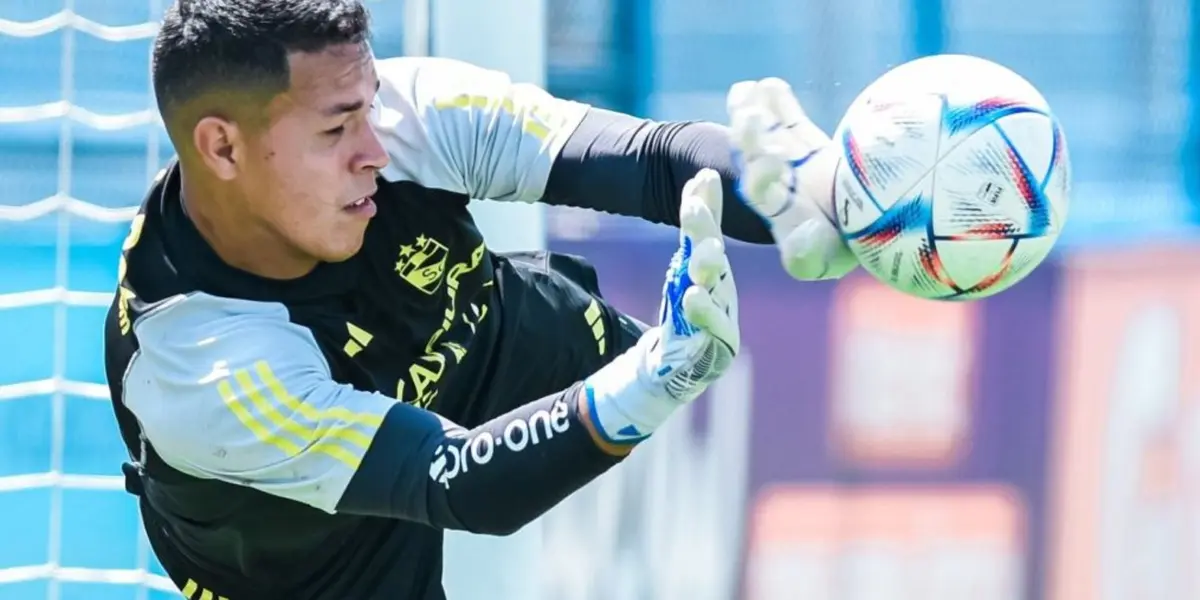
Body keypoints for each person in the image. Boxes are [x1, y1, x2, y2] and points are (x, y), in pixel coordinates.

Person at [103, 1, 858, 598]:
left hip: (481, 336)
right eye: (338, 128)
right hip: (315, 556)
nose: (375, 145)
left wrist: (819, 193)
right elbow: (459, 480)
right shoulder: (203, 366)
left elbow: (651, 162)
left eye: (368, 106)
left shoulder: (400, 113)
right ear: (222, 148)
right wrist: (656, 382)